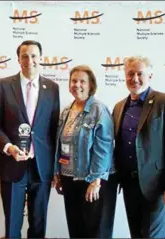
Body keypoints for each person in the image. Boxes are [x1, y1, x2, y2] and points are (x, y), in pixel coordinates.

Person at [0, 40, 60, 238]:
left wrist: (55, 169)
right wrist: (9, 147)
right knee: (12, 225)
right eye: (25, 56)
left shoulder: (52, 88)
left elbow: (54, 130)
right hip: (12, 164)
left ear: (41, 58)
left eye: (34, 56)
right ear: (19, 59)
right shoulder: (3, 86)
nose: (30, 60)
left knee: (39, 225)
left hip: (41, 167)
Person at [112, 56, 165, 238]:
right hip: (129, 185)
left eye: (140, 73)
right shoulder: (119, 107)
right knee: (136, 234)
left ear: (150, 76)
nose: (135, 78)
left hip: (156, 186)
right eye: (130, 74)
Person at [53, 65, 114, 238]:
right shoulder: (66, 111)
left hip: (92, 180)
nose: (77, 85)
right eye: (73, 80)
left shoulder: (98, 109)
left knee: (95, 231)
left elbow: (104, 147)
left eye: (82, 81)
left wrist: (95, 181)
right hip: (69, 179)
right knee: (76, 229)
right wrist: (57, 172)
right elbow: (60, 144)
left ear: (90, 85)